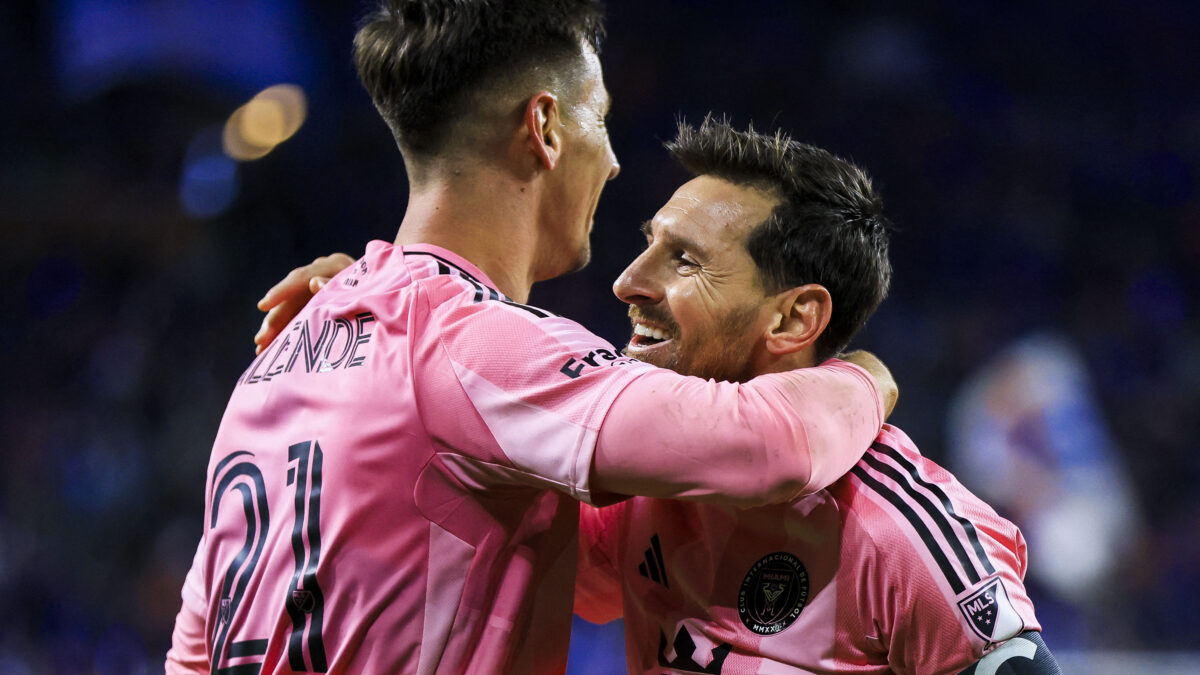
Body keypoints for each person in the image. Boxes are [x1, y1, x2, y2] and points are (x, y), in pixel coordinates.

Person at [166, 2, 891, 673]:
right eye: (599, 120)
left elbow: (194, 651)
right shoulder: (477, 346)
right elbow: (770, 445)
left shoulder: (286, 351)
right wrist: (867, 373)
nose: (609, 160)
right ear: (544, 127)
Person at [267, 118, 1063, 674]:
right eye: (647, 242)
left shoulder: (899, 530)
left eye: (682, 259)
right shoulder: (640, 490)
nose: (627, 282)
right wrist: (379, 310)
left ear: (794, 316)